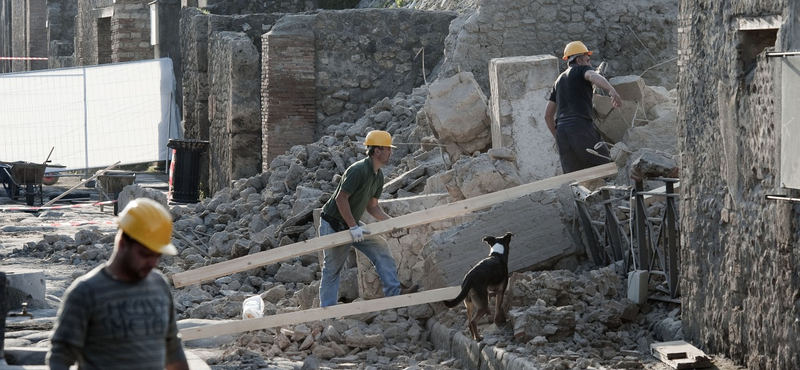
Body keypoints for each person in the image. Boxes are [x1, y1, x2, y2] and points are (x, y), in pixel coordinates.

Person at [47, 198, 189, 370]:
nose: (153, 263)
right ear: (122, 244)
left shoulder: (159, 285)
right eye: (145, 254)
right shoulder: (86, 292)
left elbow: (172, 347)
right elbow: (61, 357)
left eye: (157, 255)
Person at [318, 130, 418, 307]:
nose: (391, 152)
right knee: (332, 270)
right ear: (377, 151)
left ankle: (394, 293)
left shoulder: (378, 176)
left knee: (380, 246)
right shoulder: (358, 170)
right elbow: (341, 199)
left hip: (351, 224)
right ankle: (328, 313)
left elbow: (372, 206)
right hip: (333, 223)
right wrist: (352, 227)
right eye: (387, 149)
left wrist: (390, 223)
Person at [545, 40, 623, 174]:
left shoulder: (558, 81)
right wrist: (611, 90)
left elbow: (547, 115)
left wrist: (558, 137)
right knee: (604, 167)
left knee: (575, 179)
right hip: (580, 126)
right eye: (587, 60)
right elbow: (592, 75)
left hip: (562, 131)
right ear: (579, 60)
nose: (589, 64)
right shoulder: (582, 69)